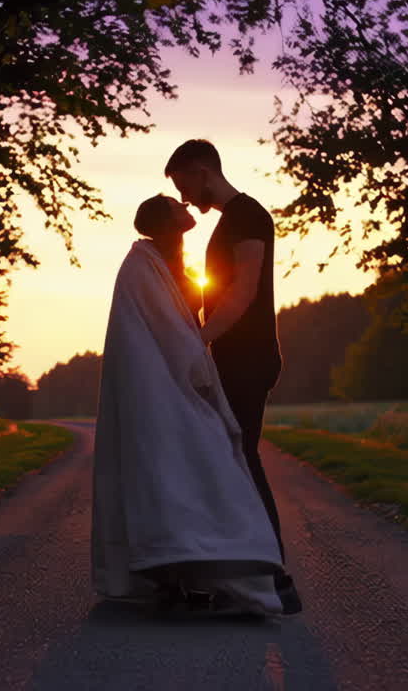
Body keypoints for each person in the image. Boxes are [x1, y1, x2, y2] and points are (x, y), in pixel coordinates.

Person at [91, 194, 287, 617]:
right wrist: (196, 366)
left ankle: (225, 571)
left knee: (199, 467)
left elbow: (180, 324)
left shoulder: (173, 261)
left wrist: (194, 365)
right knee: (176, 470)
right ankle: (174, 577)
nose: (184, 204)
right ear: (166, 221)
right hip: (156, 388)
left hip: (176, 383)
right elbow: (162, 329)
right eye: (174, 204)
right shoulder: (142, 264)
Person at [164, 139, 304, 615]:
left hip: (249, 358)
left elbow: (242, 291)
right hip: (232, 357)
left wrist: (198, 340)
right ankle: (243, 572)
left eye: (183, 184)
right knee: (230, 456)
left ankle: (278, 579)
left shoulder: (248, 216)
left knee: (241, 457)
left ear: (202, 171)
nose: (184, 197)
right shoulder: (229, 222)